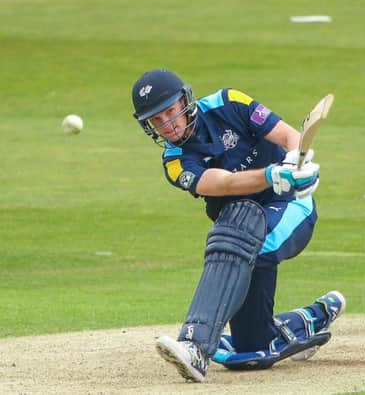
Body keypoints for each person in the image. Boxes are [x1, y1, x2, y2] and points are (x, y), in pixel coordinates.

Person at [131, 68, 345, 382]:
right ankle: (309, 319)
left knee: (243, 239)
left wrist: (300, 161)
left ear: (184, 102)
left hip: (289, 207)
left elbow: (289, 136)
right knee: (252, 351)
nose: (167, 125)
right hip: (241, 231)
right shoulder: (175, 161)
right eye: (156, 120)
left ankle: (195, 346)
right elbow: (226, 184)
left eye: (170, 113)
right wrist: (272, 174)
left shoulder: (228, 102)